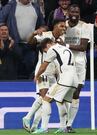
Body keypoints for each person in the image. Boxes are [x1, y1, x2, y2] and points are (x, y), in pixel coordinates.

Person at [22, 19, 66, 133]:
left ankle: (34, 124)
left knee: (46, 100)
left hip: (54, 73)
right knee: (44, 98)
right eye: (61, 26)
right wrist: (34, 33)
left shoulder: (63, 39)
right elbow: (30, 42)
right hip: (43, 71)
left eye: (64, 27)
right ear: (55, 26)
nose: (64, 29)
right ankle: (30, 120)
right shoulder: (46, 35)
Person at [32, 38, 78, 134]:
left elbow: (43, 66)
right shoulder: (66, 48)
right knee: (61, 101)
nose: (46, 52)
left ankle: (44, 128)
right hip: (75, 80)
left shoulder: (52, 49)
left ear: (48, 45)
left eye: (45, 50)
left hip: (65, 79)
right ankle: (63, 127)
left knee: (46, 99)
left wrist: (36, 76)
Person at [64, 4, 90, 133]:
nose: (74, 13)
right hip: (65, 62)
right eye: (72, 11)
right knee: (64, 92)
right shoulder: (63, 25)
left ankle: (69, 124)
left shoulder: (84, 26)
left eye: (77, 11)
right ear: (68, 12)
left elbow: (83, 47)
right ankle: (63, 123)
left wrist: (66, 44)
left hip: (79, 62)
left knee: (76, 93)